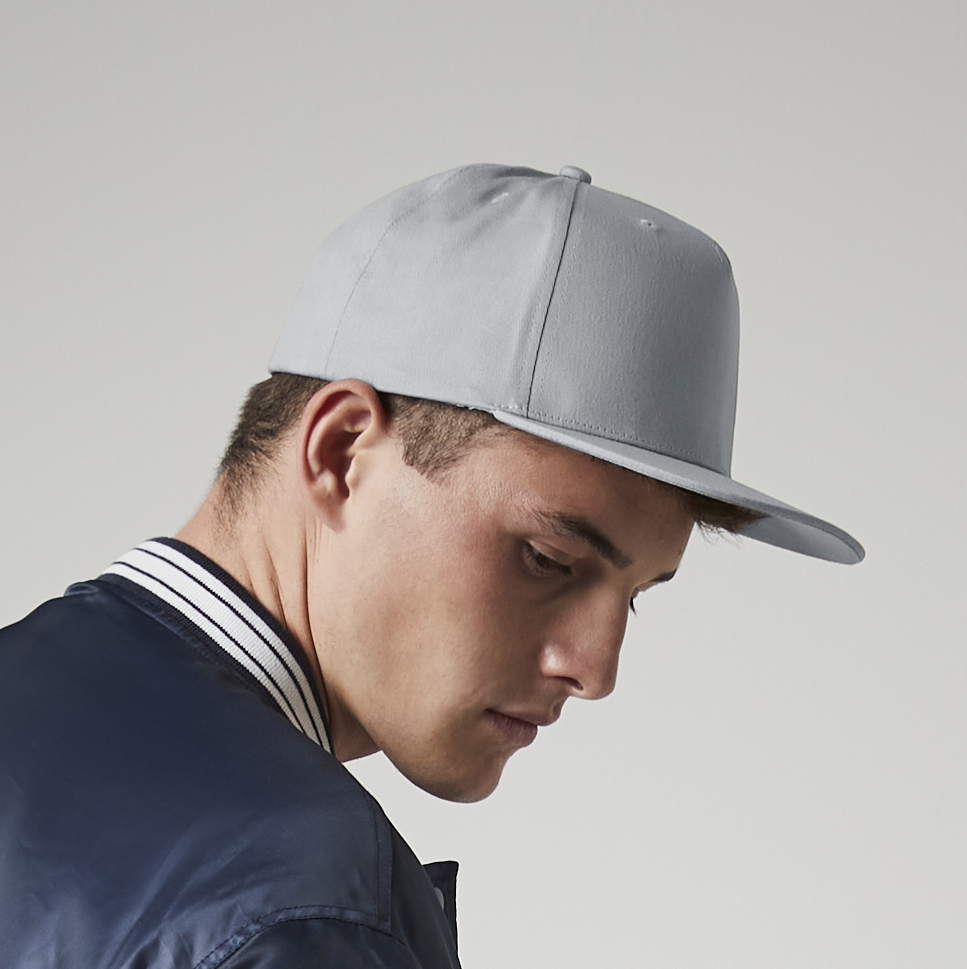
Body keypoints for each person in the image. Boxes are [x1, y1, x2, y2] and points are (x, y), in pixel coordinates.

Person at [0, 163, 863, 968]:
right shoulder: (296, 900)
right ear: (340, 452)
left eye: (634, 596)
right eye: (548, 558)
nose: (595, 669)